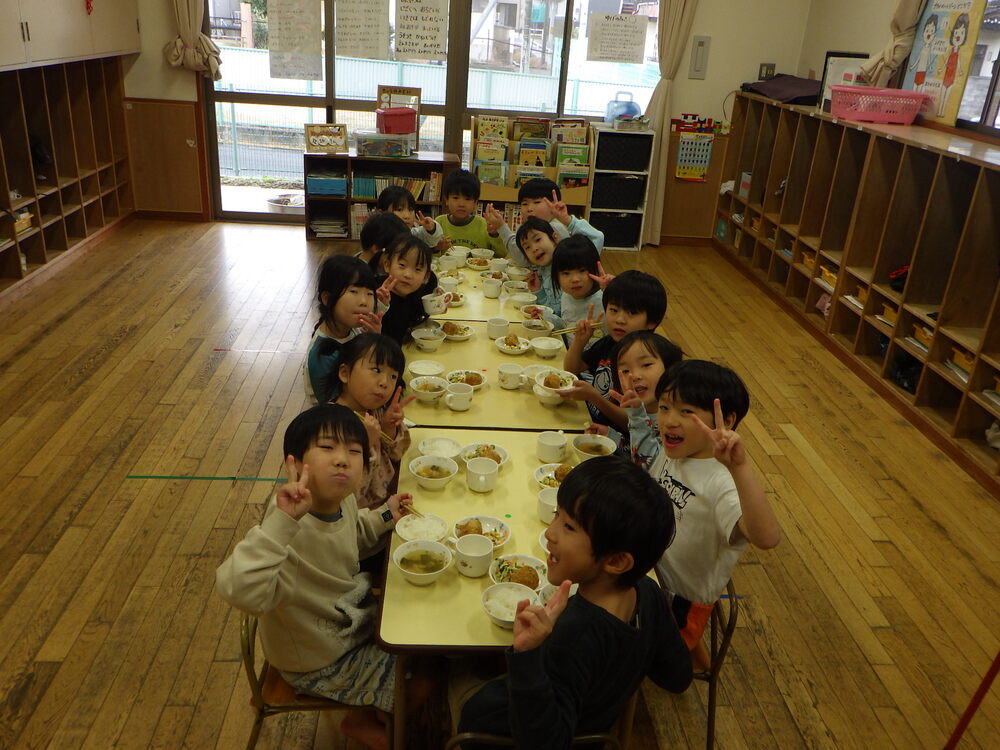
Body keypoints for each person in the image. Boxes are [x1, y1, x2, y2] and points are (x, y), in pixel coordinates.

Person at [457, 457, 692, 747]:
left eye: (568, 527)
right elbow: (678, 676)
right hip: (591, 727)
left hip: (493, 736)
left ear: (617, 561)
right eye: (557, 514)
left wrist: (529, 658)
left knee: (454, 670)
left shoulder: (573, 634)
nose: (549, 533)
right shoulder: (647, 592)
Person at [215, 404, 414, 749]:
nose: (342, 459)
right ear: (293, 463)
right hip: (317, 659)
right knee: (420, 675)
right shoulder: (286, 529)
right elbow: (238, 589)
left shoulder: (342, 500)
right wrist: (280, 525)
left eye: (353, 451)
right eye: (327, 448)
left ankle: (367, 713)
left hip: (351, 624)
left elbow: (353, 533)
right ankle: (364, 721)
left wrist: (385, 514)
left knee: (420, 642)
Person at [651, 360, 780, 664]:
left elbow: (767, 538)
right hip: (649, 574)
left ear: (727, 420)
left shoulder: (723, 482)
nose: (670, 420)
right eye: (665, 407)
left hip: (677, 606)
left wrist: (740, 467)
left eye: (687, 412)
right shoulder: (676, 451)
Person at [561, 270, 667, 427]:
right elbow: (571, 368)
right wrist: (579, 341)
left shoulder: (649, 360)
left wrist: (594, 397)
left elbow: (634, 423)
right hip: (590, 423)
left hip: (621, 442)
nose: (619, 320)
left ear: (652, 321)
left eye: (632, 313)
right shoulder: (609, 342)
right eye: (614, 310)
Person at [333, 334, 415, 511]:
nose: (385, 383)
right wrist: (366, 444)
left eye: (393, 376)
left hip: (387, 503)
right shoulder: (332, 426)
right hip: (356, 521)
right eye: (376, 370)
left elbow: (397, 454)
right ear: (345, 374)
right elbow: (347, 495)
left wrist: (388, 427)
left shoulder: (375, 411)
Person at [588, 330, 683, 468]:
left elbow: (649, 467)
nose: (635, 375)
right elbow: (636, 452)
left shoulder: (675, 421)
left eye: (646, 365)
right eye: (625, 371)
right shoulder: (641, 412)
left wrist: (637, 416)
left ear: (671, 369)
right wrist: (611, 436)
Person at [304, 255, 387, 403]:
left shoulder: (350, 329)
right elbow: (337, 407)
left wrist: (373, 341)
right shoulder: (323, 354)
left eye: (369, 294)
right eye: (354, 292)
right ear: (327, 298)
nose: (363, 302)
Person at [485, 178, 604, 263]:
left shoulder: (555, 227)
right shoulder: (530, 228)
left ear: (553, 203)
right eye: (525, 203)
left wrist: (568, 221)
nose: (529, 209)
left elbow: (523, 258)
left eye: (537, 202)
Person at [372, 234, 439, 345]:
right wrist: (378, 305)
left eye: (417, 269)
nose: (408, 275)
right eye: (402, 265)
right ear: (387, 265)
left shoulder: (413, 294)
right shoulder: (377, 295)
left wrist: (435, 304)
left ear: (425, 277)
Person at [550, 234, 613, 335]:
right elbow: (566, 326)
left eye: (582, 270)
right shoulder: (566, 296)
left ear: (595, 269)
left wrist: (613, 291)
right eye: (566, 273)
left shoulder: (605, 299)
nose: (575, 279)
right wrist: (545, 317)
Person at [434, 169, 507, 256]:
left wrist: (494, 234)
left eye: (468, 199)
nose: (461, 204)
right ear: (446, 200)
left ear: (475, 203)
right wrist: (437, 248)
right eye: (456, 198)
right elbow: (432, 259)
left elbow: (501, 255)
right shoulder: (439, 223)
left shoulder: (483, 224)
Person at [513, 216, 562, 314]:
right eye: (527, 247)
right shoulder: (543, 270)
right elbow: (551, 308)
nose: (534, 248)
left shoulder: (566, 267)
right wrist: (538, 290)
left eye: (538, 240)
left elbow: (564, 314)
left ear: (555, 238)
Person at [376, 185, 445, 250]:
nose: (407, 216)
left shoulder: (413, 234)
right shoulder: (376, 237)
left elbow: (431, 240)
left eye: (410, 209)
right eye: (399, 209)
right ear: (381, 213)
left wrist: (431, 229)